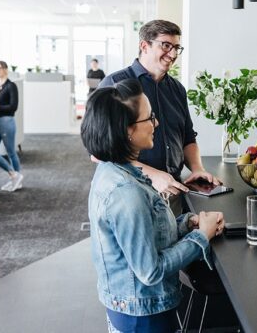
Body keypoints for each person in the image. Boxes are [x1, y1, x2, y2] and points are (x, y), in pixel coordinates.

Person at [82, 79, 224, 333]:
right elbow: (150, 270)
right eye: (149, 118)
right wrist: (202, 236)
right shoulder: (126, 193)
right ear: (127, 130)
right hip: (143, 317)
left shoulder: (113, 171)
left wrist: (187, 223)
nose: (156, 123)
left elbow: (148, 236)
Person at [98, 20, 220, 213]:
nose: (172, 54)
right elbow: (99, 152)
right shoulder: (114, 84)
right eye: (166, 45)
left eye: (176, 48)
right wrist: (153, 174)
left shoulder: (177, 89)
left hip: (174, 192)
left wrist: (197, 169)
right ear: (144, 45)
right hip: (132, 193)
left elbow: (187, 137)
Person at [0, 60, 23, 192]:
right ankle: (14, 175)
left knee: (11, 151)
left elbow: (13, 107)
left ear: (5, 69)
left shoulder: (11, 86)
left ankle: (16, 179)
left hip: (6, 121)